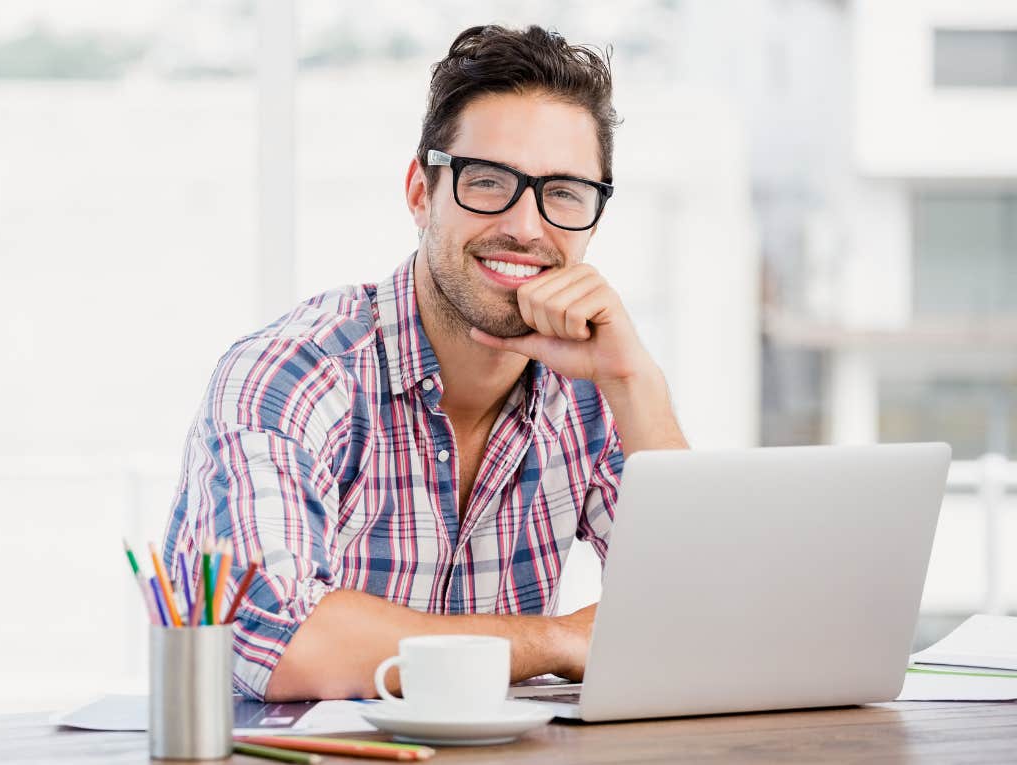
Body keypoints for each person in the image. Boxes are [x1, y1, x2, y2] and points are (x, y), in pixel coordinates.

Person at [163, 24, 688, 702]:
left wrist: (633, 381)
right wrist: (554, 639)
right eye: (489, 181)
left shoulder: (592, 384)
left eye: (562, 192)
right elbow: (282, 641)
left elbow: (700, 622)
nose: (526, 227)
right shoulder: (291, 375)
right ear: (421, 193)